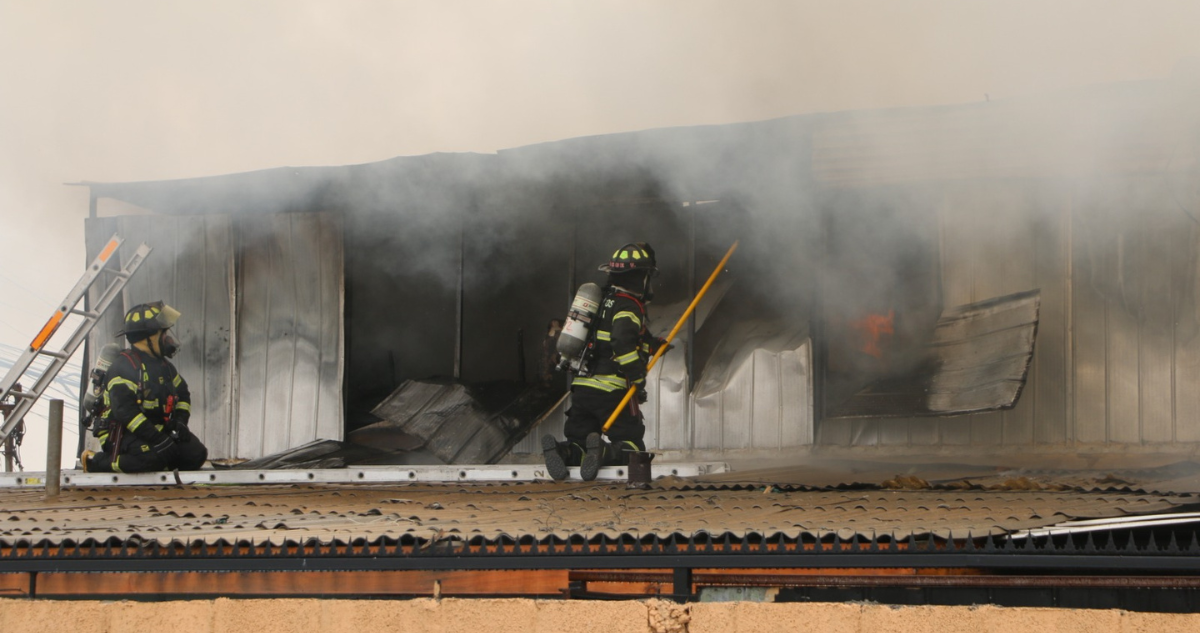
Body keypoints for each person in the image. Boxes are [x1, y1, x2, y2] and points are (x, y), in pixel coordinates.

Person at [542, 242, 666, 481]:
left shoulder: (599, 302)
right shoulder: (629, 305)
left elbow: (611, 337)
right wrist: (638, 378)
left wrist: (652, 344)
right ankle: (606, 451)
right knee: (632, 447)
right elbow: (621, 341)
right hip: (613, 391)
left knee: (579, 441)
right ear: (640, 277)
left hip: (582, 389)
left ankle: (564, 451)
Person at [82, 302, 208, 473]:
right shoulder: (123, 367)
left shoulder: (165, 367)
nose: (168, 339)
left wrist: (180, 423)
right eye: (163, 334)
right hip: (122, 433)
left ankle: (158, 459)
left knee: (196, 454)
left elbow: (183, 395)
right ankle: (95, 462)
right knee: (152, 458)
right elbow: (125, 412)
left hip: (154, 430)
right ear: (147, 338)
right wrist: (158, 440)